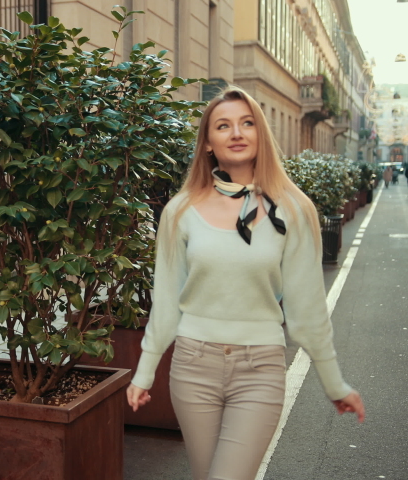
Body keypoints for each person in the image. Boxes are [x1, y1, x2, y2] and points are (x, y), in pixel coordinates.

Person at [126, 86, 365, 480]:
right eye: (223, 125)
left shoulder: (294, 209)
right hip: (192, 368)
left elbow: (307, 310)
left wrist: (333, 381)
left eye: (247, 122)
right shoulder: (179, 210)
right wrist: (145, 371)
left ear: (260, 134)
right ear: (207, 142)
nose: (236, 132)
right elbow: (167, 301)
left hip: (260, 368)